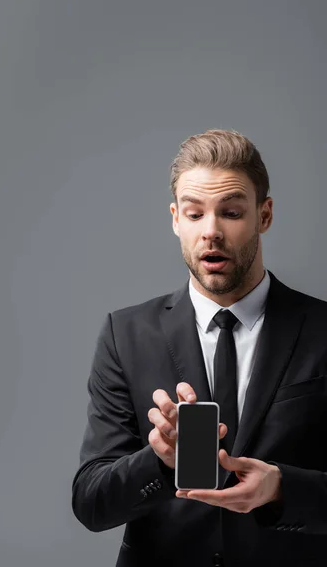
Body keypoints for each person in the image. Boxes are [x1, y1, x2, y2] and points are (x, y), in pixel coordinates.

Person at [71, 129, 327, 567]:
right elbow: (92, 503)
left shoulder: (321, 329)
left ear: (264, 215)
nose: (211, 232)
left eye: (230, 212)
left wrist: (281, 488)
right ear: (175, 219)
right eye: (194, 215)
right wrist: (159, 461)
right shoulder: (125, 334)